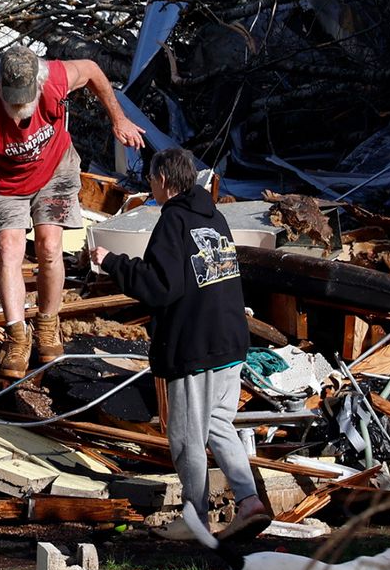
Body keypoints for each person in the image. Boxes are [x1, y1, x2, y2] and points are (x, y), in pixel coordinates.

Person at [0, 46, 145, 374]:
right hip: (5, 185)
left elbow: (92, 68)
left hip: (55, 171)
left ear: (38, 84)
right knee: (9, 250)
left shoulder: (57, 79)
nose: (19, 111)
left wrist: (119, 119)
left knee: (50, 246)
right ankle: (17, 335)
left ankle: (48, 324)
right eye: (13, 103)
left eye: (24, 102)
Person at [89, 147, 268, 548]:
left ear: (165, 181)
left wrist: (112, 262)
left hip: (196, 345)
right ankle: (250, 500)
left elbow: (160, 287)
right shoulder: (215, 218)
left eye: (152, 180)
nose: (151, 187)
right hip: (231, 341)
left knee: (187, 435)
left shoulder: (173, 221)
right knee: (219, 424)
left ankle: (195, 516)